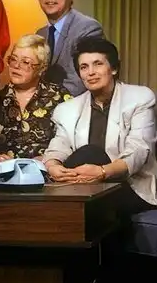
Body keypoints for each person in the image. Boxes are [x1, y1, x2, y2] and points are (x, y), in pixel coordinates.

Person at [42, 37, 157, 210]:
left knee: (90, 153)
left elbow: (139, 150)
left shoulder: (139, 98)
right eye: (84, 67)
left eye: (98, 64)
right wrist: (53, 166)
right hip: (84, 185)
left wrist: (102, 171)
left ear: (114, 68)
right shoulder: (67, 109)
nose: (91, 72)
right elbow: (59, 145)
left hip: (129, 186)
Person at [0, 34, 72, 164]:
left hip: (46, 171)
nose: (16, 66)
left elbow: (70, 142)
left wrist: (48, 159)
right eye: (13, 59)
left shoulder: (59, 97)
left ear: (42, 67)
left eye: (25, 62)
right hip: (4, 172)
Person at [35, 0, 104, 96]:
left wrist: (42, 102)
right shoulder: (40, 34)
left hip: (73, 105)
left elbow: (81, 81)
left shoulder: (88, 28)